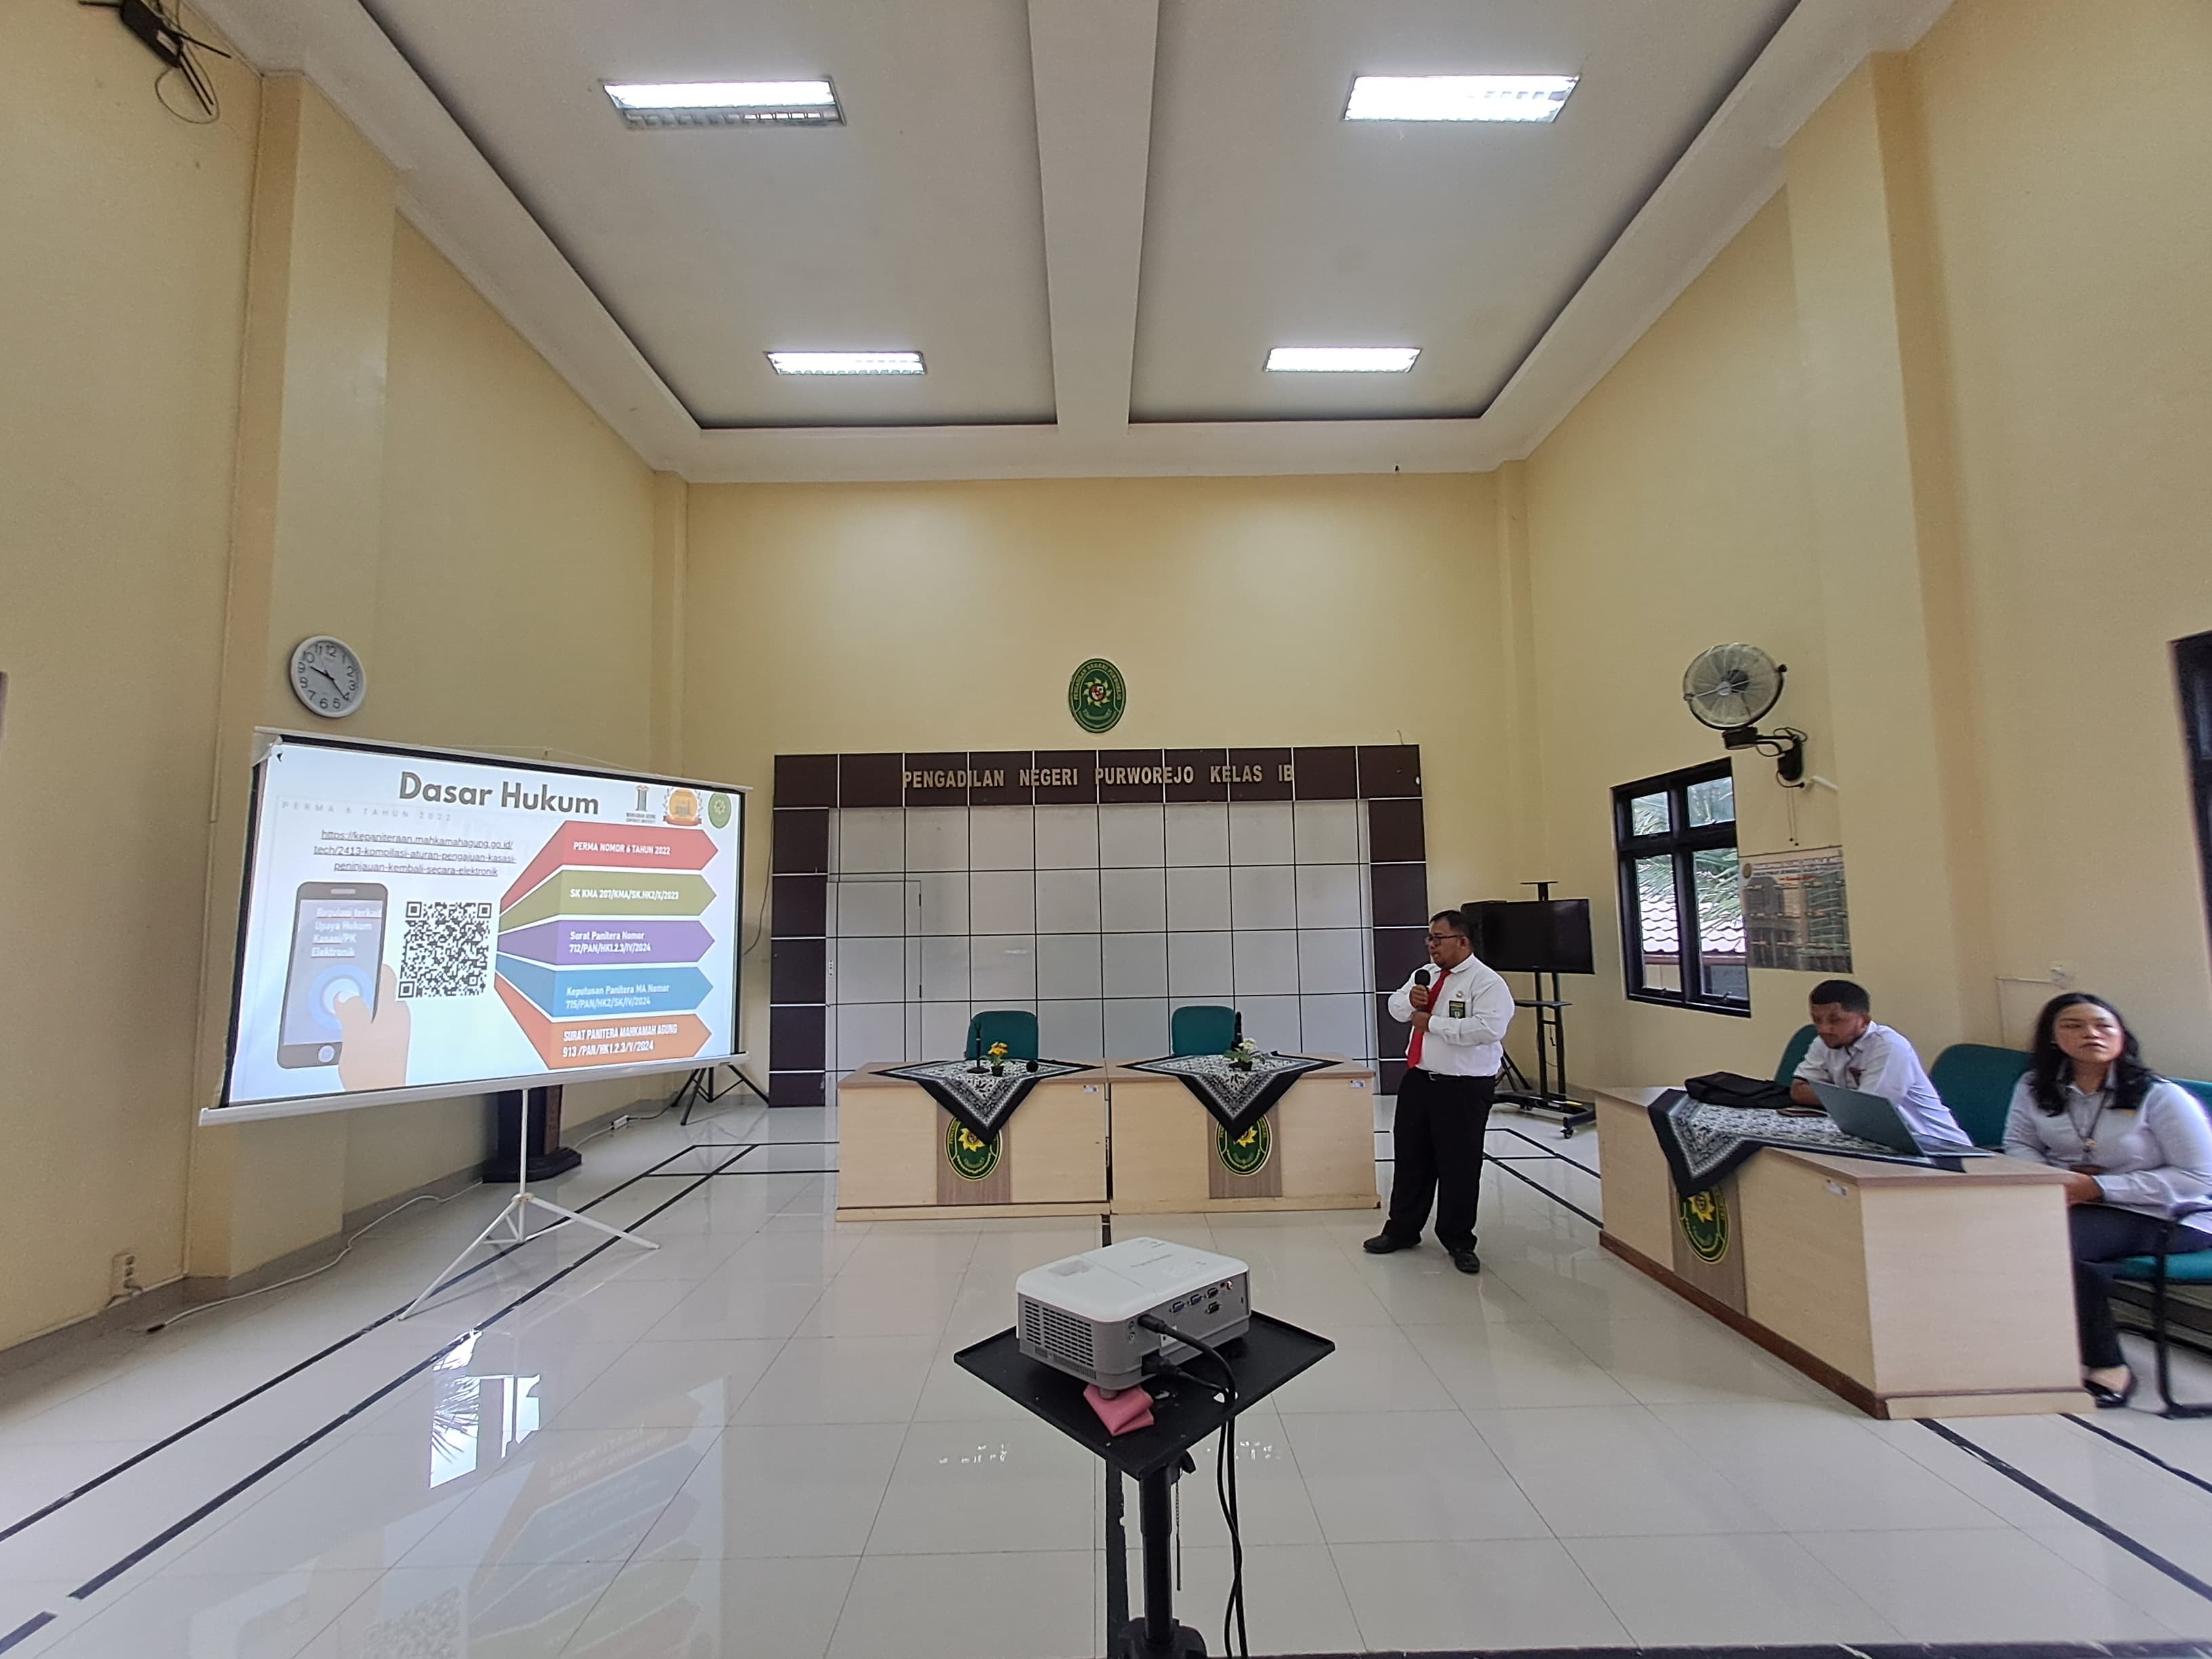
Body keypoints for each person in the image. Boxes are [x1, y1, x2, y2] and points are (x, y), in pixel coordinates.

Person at [2002, 993, 2212, 1408]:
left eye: (2103, 1026)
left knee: (2057, 1243)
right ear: (2052, 1037)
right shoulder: (2034, 1087)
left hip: (2169, 1214)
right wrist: (2053, 1182)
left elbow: (2198, 1176)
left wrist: (2101, 1189)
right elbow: (2019, 1144)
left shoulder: (2160, 1095)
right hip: (2073, 1203)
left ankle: (2108, 1365)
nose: (2091, 1034)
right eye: (2073, 1025)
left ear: (2122, 1036)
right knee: (2002, 1230)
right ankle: (2030, 1343)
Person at [1365, 909, 1515, 1275]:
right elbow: (1395, 1006)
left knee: (1459, 1164)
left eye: (1439, 938)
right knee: (1411, 1158)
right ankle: (1402, 1230)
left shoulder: (1487, 982)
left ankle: (1458, 1239)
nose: (1432, 945)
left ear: (1462, 941)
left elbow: (1488, 1029)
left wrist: (1431, 1023)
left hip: (1464, 1087)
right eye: (1429, 939)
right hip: (1420, 1079)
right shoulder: (1427, 974)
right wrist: (1411, 1002)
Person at [1790, 979, 1968, 1147]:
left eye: (1836, 1020)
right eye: (1817, 1020)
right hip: (1883, 1141)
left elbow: (1868, 1112)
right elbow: (1799, 1090)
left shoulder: (1889, 1047)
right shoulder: (1824, 1043)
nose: (1824, 1029)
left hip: (1939, 1146)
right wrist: (1852, 1099)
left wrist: (1838, 1098)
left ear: (1864, 1021)